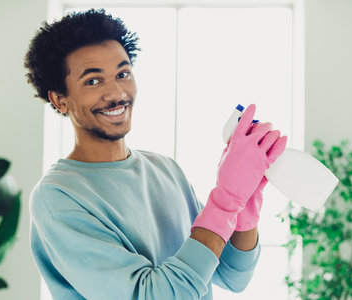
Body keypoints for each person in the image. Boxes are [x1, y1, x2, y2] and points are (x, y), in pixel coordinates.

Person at [24, 9, 287, 300]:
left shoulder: (165, 170)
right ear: (60, 99)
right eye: (93, 81)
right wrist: (226, 201)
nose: (116, 92)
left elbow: (231, 274)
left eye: (122, 74)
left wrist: (244, 211)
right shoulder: (58, 198)